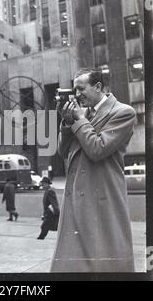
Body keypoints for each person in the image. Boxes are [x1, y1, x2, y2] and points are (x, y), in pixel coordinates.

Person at [51, 68, 136, 272]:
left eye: (81, 89)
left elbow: (98, 149)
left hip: (101, 198)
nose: (77, 95)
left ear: (98, 86)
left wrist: (79, 119)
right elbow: (62, 151)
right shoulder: (83, 113)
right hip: (77, 198)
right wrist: (67, 122)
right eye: (74, 89)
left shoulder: (123, 112)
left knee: (104, 261)